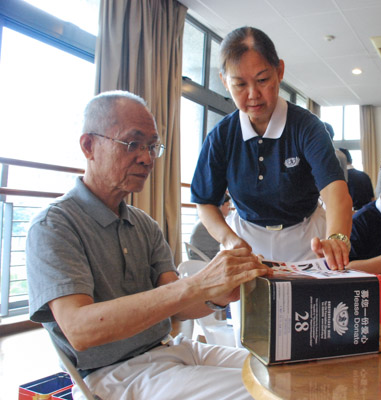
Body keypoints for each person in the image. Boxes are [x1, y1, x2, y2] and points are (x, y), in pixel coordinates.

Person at [26, 91, 271, 400]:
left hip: (173, 350)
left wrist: (220, 294)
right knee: (264, 394)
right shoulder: (55, 225)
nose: (146, 157)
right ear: (89, 146)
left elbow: (179, 310)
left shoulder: (144, 225)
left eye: (152, 146)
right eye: (132, 144)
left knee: (285, 372)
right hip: (112, 374)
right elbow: (80, 330)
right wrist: (197, 284)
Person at [190, 26, 352, 269]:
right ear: (224, 82)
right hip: (246, 241)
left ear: (280, 71)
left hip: (307, 237)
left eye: (263, 80)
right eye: (240, 85)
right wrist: (229, 240)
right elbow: (205, 202)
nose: (253, 94)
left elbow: (334, 190)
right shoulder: (221, 136)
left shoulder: (306, 127)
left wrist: (337, 238)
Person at [189, 193, 232, 259]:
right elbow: (229, 241)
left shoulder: (205, 219)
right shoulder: (216, 222)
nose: (229, 209)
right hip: (206, 259)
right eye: (227, 205)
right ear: (220, 206)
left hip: (196, 258)